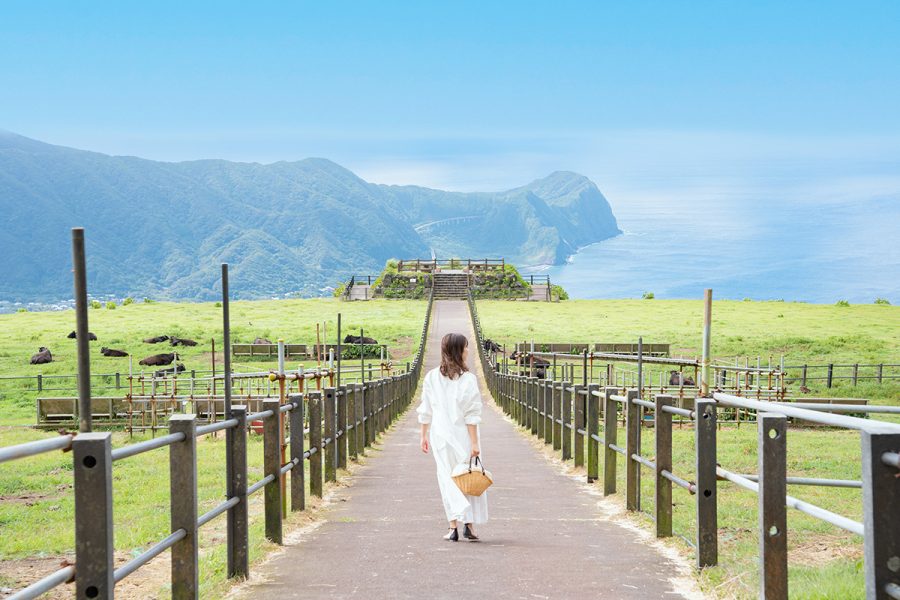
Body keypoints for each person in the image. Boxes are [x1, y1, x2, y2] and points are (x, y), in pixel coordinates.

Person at [417, 332, 488, 542]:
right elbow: (471, 415)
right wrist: (475, 443)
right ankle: (469, 524)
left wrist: (423, 435)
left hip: (440, 436)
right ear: (458, 350)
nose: (468, 350)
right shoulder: (468, 380)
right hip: (463, 436)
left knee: (447, 479)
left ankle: (453, 526)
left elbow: (426, 410)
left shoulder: (431, 377)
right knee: (467, 477)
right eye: (466, 347)